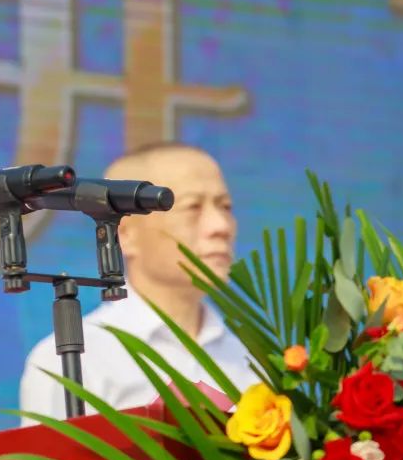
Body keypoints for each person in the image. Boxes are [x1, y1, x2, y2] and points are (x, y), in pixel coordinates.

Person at [19, 142, 257, 420]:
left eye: (225, 206)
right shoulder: (77, 360)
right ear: (125, 233)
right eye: (193, 207)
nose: (221, 226)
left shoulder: (254, 359)